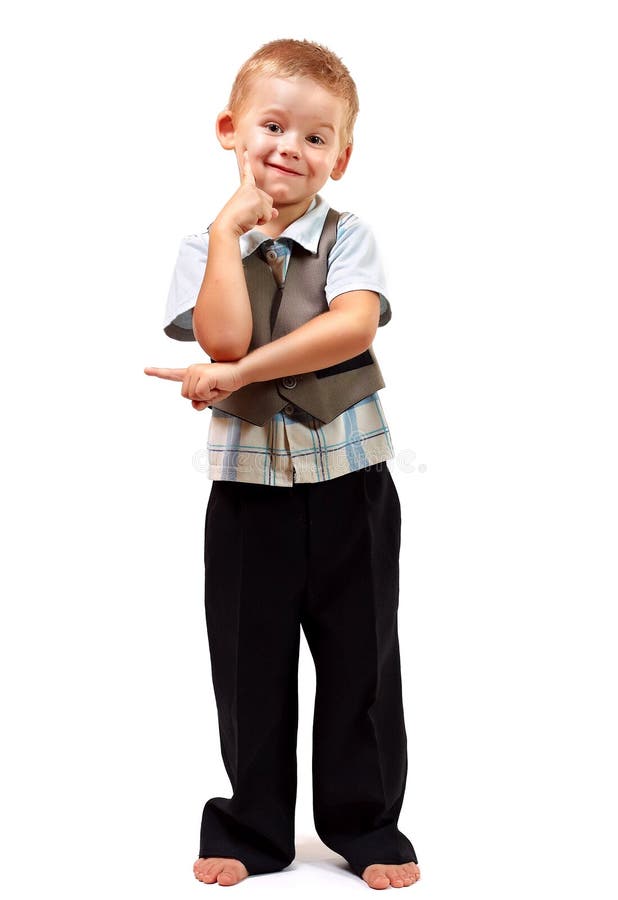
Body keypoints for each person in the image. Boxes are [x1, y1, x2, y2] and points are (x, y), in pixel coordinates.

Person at [144, 38, 421, 891]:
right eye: (271, 126)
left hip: (351, 488)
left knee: (360, 663)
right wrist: (231, 230)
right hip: (248, 496)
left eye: (314, 137)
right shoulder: (204, 247)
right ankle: (252, 825)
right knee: (249, 662)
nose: (288, 149)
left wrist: (239, 376)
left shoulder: (348, 236)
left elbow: (352, 328)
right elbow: (222, 333)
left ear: (341, 155)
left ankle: (365, 823)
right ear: (231, 130)